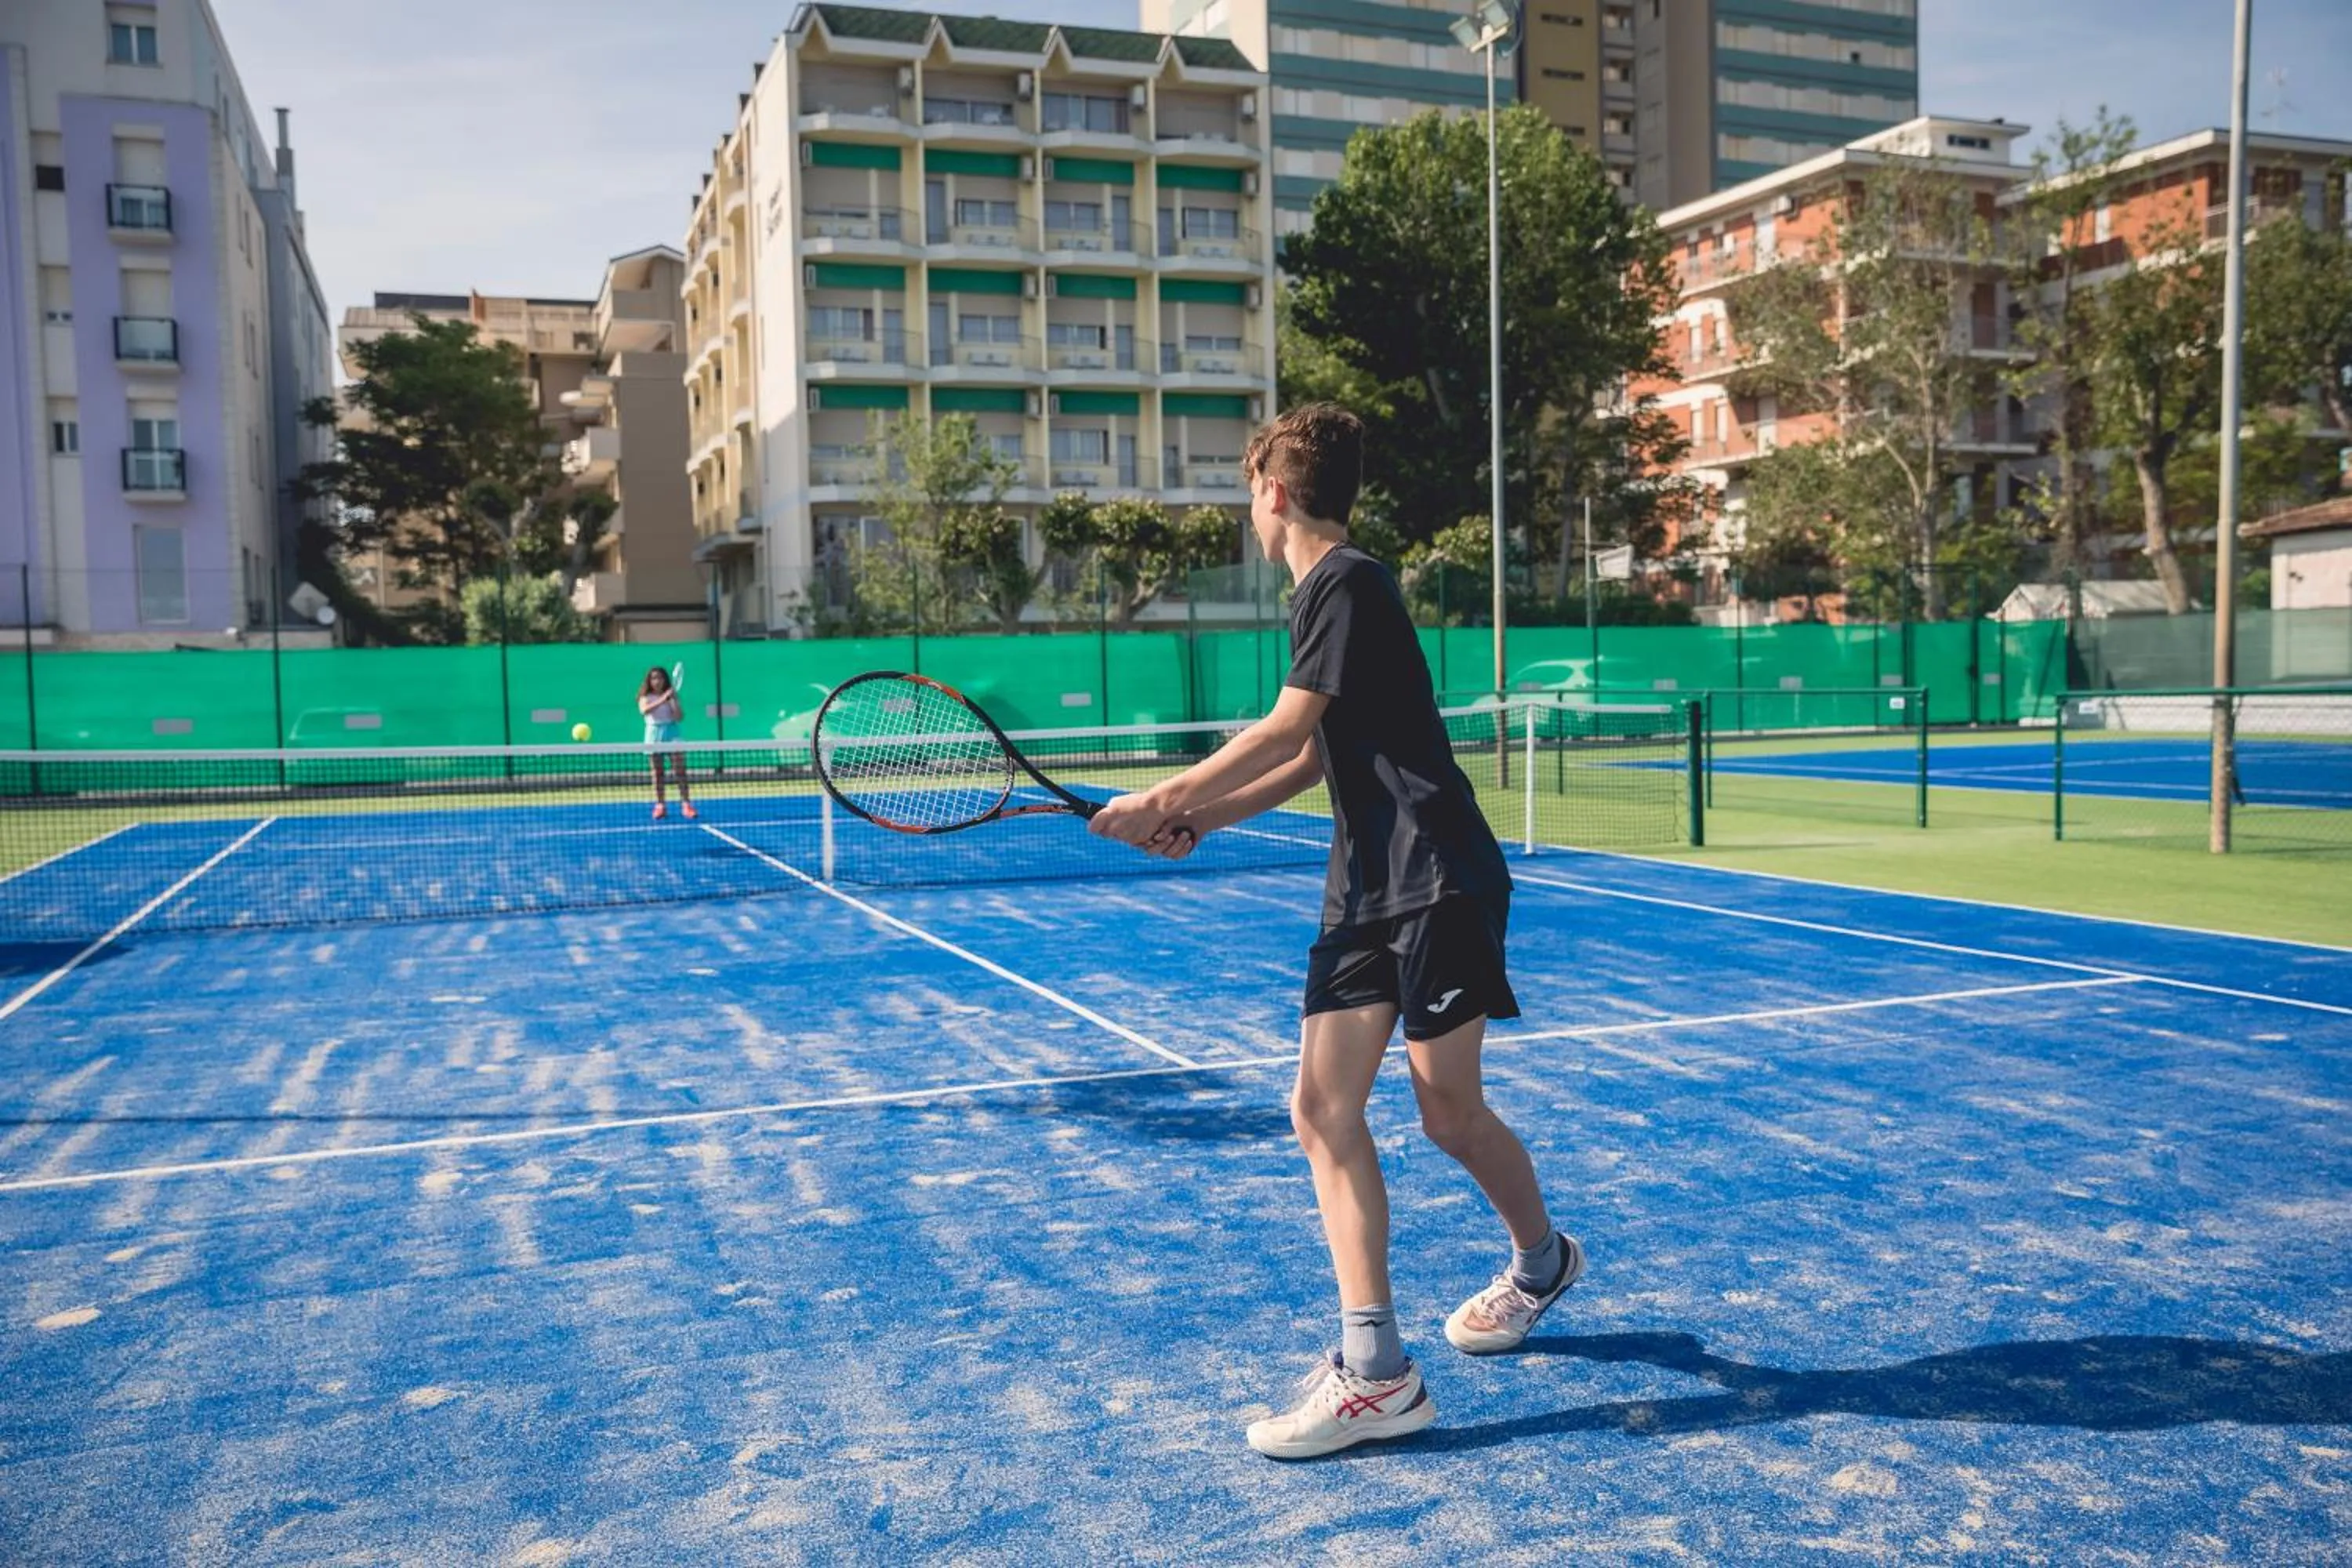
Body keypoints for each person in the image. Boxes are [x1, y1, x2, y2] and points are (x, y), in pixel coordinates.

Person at [1090, 404, 1580, 1461]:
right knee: (1320, 1109)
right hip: (1365, 888)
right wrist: (1197, 820)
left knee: (1448, 1115)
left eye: (1247, 492)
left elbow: (1284, 728)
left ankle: (1540, 1263)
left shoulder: (1348, 580)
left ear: (1273, 488)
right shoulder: (1325, 596)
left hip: (1438, 878)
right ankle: (1377, 1369)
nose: (1249, 512)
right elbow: (1315, 763)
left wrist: (1161, 792)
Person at [636, 666, 696, 821]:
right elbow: (644, 711)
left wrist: (673, 701)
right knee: (657, 773)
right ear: (649, 681)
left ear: (665, 680)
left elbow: (679, 717)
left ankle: (686, 804)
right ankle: (660, 805)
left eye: (660, 678)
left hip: (673, 733)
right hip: (653, 734)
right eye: (654, 678)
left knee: (680, 771)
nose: (657, 681)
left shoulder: (672, 696)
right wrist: (663, 699)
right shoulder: (645, 696)